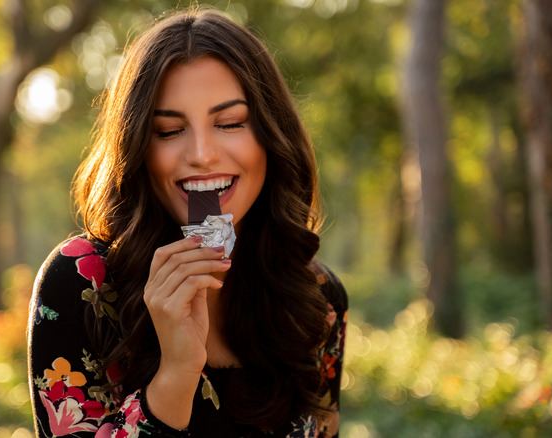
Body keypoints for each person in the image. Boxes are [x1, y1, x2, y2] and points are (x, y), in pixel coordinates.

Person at [28, 7, 348, 438]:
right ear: (138, 148)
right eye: (168, 130)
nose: (201, 154)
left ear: (272, 136)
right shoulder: (82, 283)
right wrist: (176, 373)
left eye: (229, 123)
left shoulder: (317, 299)